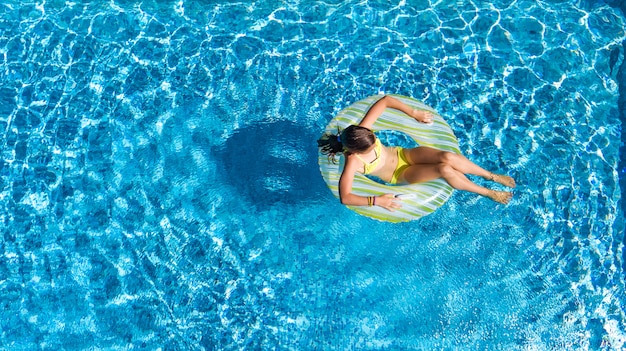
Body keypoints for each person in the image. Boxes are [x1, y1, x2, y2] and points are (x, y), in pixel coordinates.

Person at [317, 95, 516, 211]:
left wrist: (414, 113)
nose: (374, 141)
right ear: (355, 150)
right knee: (444, 169)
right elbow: (346, 197)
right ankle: (488, 192)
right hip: (399, 174)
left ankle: (491, 176)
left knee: (446, 156)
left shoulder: (362, 131)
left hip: (405, 155)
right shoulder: (352, 161)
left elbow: (385, 100)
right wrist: (377, 201)